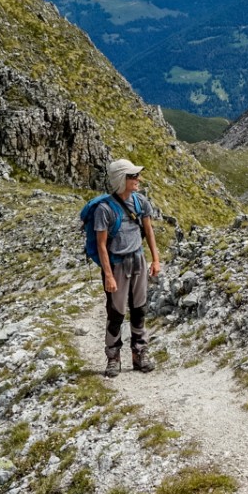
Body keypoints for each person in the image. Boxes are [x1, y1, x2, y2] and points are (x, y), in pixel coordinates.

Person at [94, 158, 161, 377]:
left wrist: (156, 259)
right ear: (121, 180)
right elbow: (101, 246)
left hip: (138, 260)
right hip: (117, 265)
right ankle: (113, 358)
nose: (138, 179)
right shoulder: (104, 209)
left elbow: (149, 232)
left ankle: (139, 354)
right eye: (133, 176)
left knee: (139, 308)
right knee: (116, 313)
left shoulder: (141, 202)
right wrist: (108, 276)